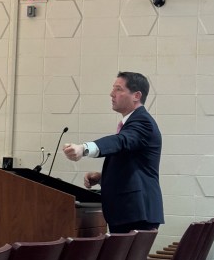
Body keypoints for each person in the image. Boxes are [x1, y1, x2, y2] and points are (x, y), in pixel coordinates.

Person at [63, 71, 164, 234]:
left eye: (118, 89)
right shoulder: (134, 122)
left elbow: (120, 141)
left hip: (136, 211)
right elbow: (134, 166)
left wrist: (84, 148)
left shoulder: (143, 122)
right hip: (131, 211)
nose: (111, 94)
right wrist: (104, 178)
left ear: (136, 95)